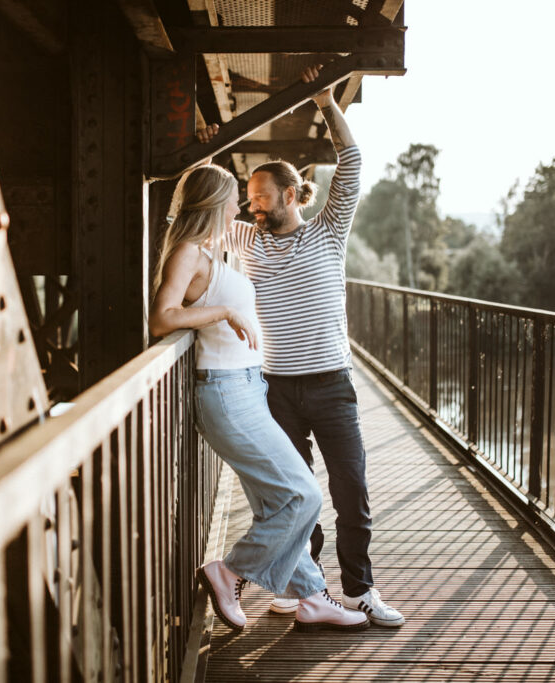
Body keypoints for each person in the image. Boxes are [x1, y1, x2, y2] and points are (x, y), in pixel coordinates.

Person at [198, 66, 405, 627]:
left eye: (262, 197)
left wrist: (324, 102)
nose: (253, 206)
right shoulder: (247, 237)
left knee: (351, 491)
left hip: (332, 383)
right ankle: (304, 589)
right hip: (275, 387)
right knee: (295, 494)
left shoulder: (329, 230)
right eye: (249, 197)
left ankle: (361, 592)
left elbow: (354, 164)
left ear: (292, 194)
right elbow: (203, 218)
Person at [149, 163, 369, 633]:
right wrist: (225, 309)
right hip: (227, 393)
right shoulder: (190, 250)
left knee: (277, 501)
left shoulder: (215, 247)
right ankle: (228, 570)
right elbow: (162, 318)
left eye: (249, 199)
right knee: (303, 496)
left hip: (250, 386)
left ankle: (310, 598)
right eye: (235, 200)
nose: (242, 208)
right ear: (215, 204)